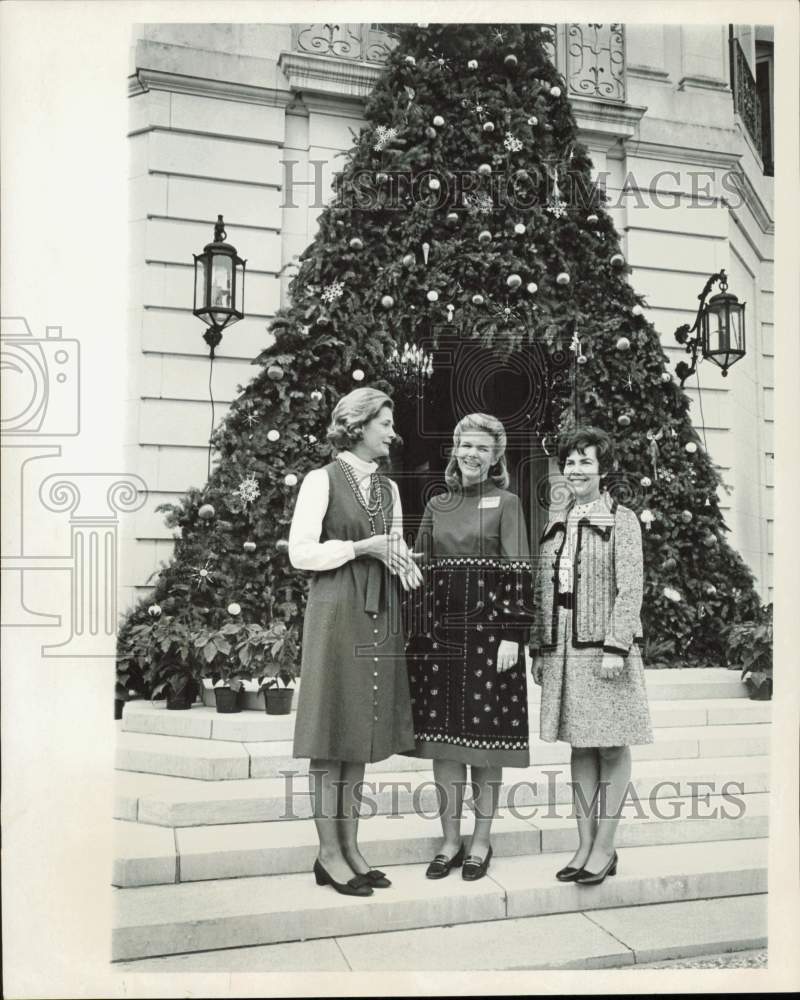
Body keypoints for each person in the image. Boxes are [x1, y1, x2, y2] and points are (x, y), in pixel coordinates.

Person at [289, 387, 422, 897]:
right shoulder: (319, 480)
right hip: (336, 608)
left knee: (360, 733)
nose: (393, 432)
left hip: (379, 610)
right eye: (384, 423)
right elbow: (301, 553)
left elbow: (396, 545)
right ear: (357, 425)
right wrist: (360, 547)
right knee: (330, 734)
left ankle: (351, 847)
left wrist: (406, 564)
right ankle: (327, 854)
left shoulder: (388, 489)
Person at [405, 413, 533, 882]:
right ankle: (449, 840)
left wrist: (512, 634)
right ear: (454, 449)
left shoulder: (507, 502)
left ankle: (481, 841)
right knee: (444, 746)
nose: (472, 454)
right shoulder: (437, 504)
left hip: (489, 640)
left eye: (483, 448)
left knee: (486, 746)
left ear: (496, 456)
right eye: (465, 445)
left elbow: (519, 570)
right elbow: (418, 570)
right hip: (439, 640)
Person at [530, 425, 654, 885]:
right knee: (580, 744)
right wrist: (540, 646)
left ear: (603, 469)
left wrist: (617, 646)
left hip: (605, 649)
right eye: (570, 461)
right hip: (562, 645)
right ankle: (583, 845)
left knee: (611, 743)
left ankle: (605, 847)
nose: (575, 468)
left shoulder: (621, 520)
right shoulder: (556, 521)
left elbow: (631, 588)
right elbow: (545, 590)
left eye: (585, 461)